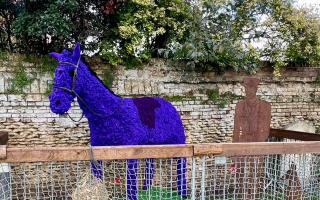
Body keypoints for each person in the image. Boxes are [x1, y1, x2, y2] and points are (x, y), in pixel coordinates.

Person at [232, 77, 271, 199]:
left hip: (258, 143)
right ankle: (242, 195)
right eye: (246, 89)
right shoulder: (239, 105)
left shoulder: (265, 106)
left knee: (255, 172)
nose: (248, 91)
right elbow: (236, 128)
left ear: (255, 89)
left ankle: (253, 195)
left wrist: (259, 143)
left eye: (251, 88)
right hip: (242, 142)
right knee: (240, 172)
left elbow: (266, 128)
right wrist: (234, 148)